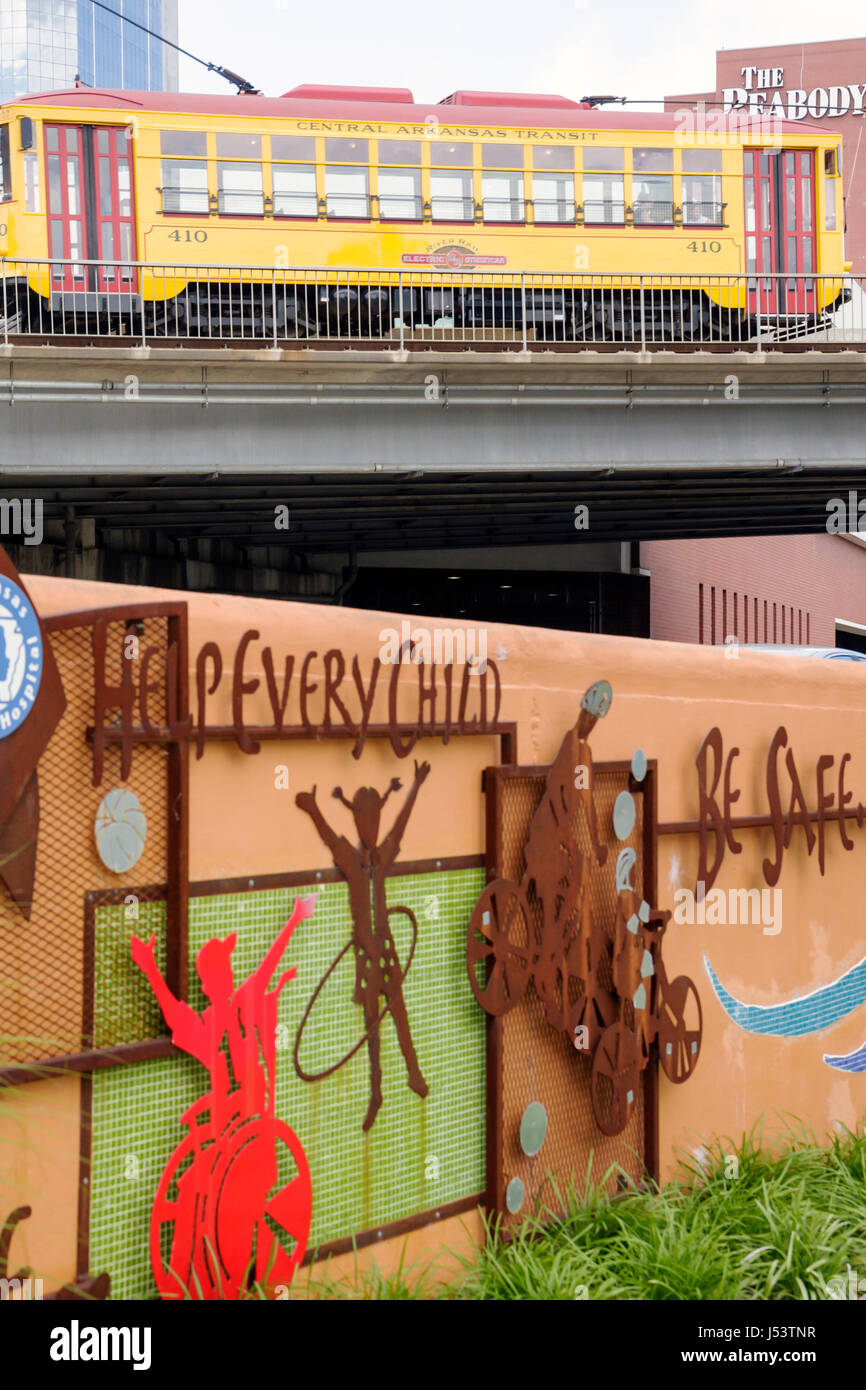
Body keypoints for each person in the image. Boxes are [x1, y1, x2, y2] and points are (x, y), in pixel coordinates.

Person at [296, 762, 430, 1131]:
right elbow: (328, 837)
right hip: (367, 961)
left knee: (400, 1016)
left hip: (386, 952)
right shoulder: (352, 863)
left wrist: (417, 785)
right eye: (364, 822)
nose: (370, 829)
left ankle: (414, 1073)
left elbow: (400, 828)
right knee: (372, 1028)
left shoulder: (381, 858)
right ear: (357, 823)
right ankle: (376, 1094)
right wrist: (313, 808)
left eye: (374, 821)